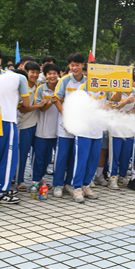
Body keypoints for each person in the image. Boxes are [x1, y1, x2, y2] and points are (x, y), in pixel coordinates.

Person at [0, 68, 30, 203]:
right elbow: (27, 103)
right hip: (7, 119)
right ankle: (2, 192)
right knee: (8, 157)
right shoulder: (21, 78)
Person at [51, 53, 88, 198]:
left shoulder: (88, 82)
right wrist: (66, 116)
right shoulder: (65, 80)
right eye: (72, 65)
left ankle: (69, 183)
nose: (75, 68)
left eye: (77, 65)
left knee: (75, 156)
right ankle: (58, 185)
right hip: (65, 126)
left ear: (82, 65)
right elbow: (56, 99)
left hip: (81, 126)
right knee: (62, 156)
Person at [32, 63, 60, 185]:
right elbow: (41, 108)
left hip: (58, 130)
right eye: (49, 74)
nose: (52, 76)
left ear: (58, 74)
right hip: (42, 130)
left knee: (53, 158)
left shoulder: (61, 87)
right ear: (45, 75)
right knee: (39, 157)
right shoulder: (41, 89)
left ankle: (58, 182)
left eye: (54, 73)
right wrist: (51, 102)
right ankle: (36, 180)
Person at [15, 62, 41, 190]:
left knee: (37, 155)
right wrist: (38, 106)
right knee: (22, 155)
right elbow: (22, 109)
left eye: (37, 72)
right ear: (26, 72)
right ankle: (19, 180)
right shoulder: (21, 87)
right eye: (32, 72)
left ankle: (37, 179)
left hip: (37, 125)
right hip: (24, 125)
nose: (35, 75)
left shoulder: (39, 86)